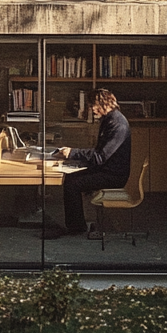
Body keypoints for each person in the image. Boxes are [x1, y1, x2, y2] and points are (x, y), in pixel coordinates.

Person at [49, 89, 131, 237]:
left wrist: (73, 153)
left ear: (104, 103)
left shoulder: (118, 124)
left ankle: (76, 228)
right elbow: (100, 154)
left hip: (114, 175)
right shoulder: (110, 120)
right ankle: (77, 225)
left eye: (94, 105)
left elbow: (100, 157)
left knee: (73, 184)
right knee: (71, 178)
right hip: (107, 170)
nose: (92, 109)